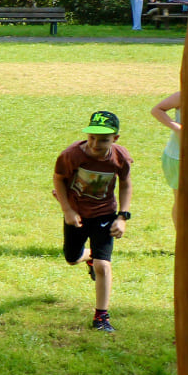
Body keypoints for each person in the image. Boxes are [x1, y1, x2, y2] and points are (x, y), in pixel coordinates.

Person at [51, 110, 134, 333]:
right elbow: (58, 179)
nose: (96, 144)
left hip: (104, 214)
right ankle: (88, 257)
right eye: (92, 138)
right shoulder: (71, 155)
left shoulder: (120, 157)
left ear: (115, 138)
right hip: (76, 214)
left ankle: (101, 317)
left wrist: (122, 216)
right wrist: (67, 209)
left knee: (103, 265)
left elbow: (126, 184)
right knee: (71, 258)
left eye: (104, 139)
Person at [150, 91, 183, 189]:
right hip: (178, 157)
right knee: (183, 200)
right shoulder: (185, 95)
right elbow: (157, 110)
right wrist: (177, 128)